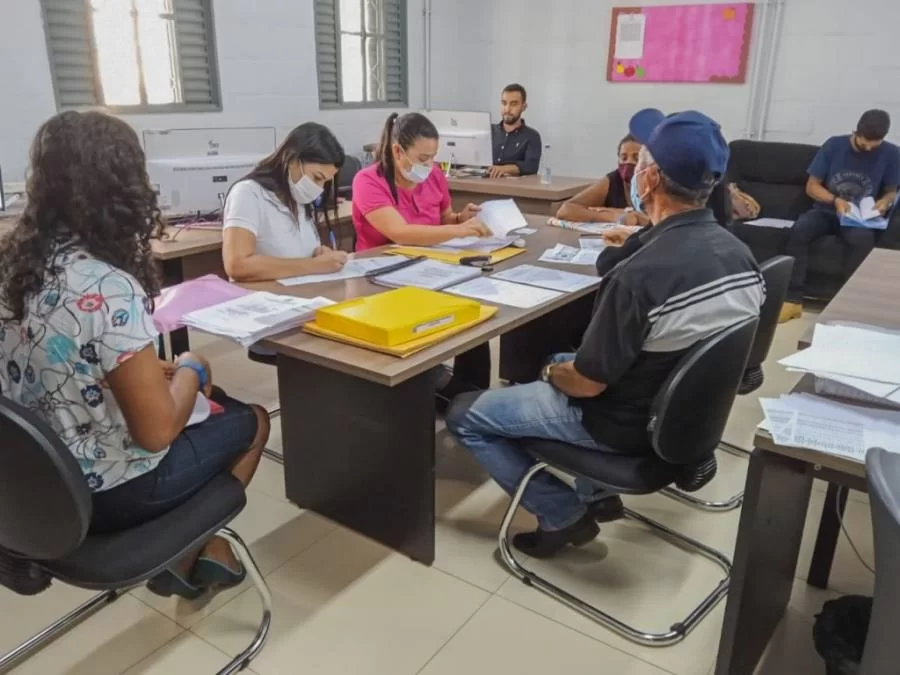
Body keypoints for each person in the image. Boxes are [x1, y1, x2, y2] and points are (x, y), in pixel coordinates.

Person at [447, 111, 764, 559]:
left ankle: (562, 514)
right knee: (562, 358)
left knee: (465, 413)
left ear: (650, 179)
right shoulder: (739, 254)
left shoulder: (640, 276)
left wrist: (548, 373)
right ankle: (597, 495)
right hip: (683, 420)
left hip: (619, 425)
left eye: (640, 163)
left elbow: (586, 383)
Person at [0, 111, 270, 600]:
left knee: (214, 405)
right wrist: (191, 367)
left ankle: (192, 552)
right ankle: (188, 553)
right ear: (123, 189)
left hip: (31, 486)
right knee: (251, 419)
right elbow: (157, 431)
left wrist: (110, 373)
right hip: (105, 493)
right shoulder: (107, 287)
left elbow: (45, 354)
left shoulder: (12, 268)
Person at [352, 112, 491, 410]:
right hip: (380, 280)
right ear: (397, 151)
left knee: (475, 309)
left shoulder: (434, 175)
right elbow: (400, 233)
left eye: (433, 158)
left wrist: (460, 218)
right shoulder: (368, 181)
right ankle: (439, 390)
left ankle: (473, 395)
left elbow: (444, 218)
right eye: (423, 158)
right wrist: (458, 230)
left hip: (430, 267)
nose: (429, 166)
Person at [780, 109, 899, 322]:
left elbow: (891, 191)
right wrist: (835, 200)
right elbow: (812, 187)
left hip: (859, 218)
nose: (869, 148)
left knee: (862, 241)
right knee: (799, 230)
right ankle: (792, 299)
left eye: (874, 145)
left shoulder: (892, 154)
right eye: (864, 144)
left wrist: (885, 201)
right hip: (827, 210)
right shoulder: (834, 145)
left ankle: (848, 306)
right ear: (856, 132)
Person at [222, 122, 349, 282]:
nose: (319, 188)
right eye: (317, 177)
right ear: (291, 160)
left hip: (301, 291)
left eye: (325, 182)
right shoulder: (248, 194)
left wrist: (318, 254)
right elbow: (237, 265)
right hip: (263, 295)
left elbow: (295, 255)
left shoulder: (299, 197)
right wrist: (314, 265)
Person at [555, 134, 649, 226]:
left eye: (636, 158)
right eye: (623, 158)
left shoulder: (655, 182)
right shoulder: (612, 181)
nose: (629, 162)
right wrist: (614, 216)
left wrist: (637, 217)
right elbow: (565, 210)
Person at [489, 84, 543, 179]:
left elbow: (531, 166)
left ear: (524, 107)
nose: (507, 109)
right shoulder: (489, 131)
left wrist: (504, 169)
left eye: (513, 104)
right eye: (504, 103)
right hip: (482, 183)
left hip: (513, 187)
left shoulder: (532, 136)